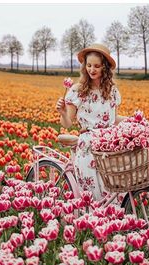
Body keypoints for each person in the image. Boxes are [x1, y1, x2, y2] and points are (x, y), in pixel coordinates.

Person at [56, 43, 126, 201]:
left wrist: (134, 121)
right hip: (88, 145)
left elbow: (114, 120)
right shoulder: (77, 90)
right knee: (94, 196)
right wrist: (62, 112)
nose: (92, 70)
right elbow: (67, 124)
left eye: (97, 66)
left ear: (105, 68)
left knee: (116, 191)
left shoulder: (112, 90)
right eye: (88, 65)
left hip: (109, 145)